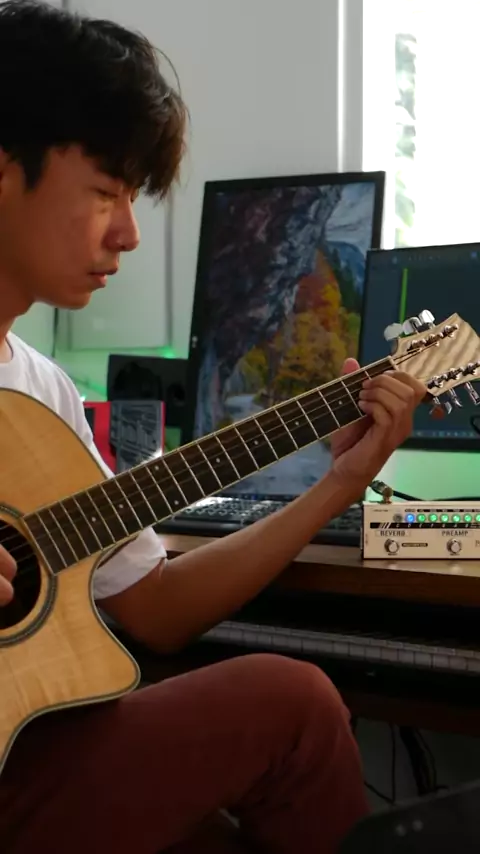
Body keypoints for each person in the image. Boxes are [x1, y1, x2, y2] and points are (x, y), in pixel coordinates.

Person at [0, 2, 425, 852]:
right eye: (105, 194)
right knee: (293, 704)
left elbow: (157, 610)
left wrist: (341, 482)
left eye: (133, 199)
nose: (128, 233)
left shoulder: (39, 397)